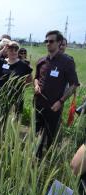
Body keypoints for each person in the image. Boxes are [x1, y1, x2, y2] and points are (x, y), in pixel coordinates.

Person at [34, 30, 80, 158]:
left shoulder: (67, 62)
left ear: (59, 42)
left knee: (49, 136)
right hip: (39, 104)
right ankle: (35, 158)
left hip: (54, 107)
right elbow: (36, 77)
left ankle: (47, 160)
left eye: (51, 41)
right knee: (36, 133)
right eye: (46, 41)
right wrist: (36, 85)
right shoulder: (42, 61)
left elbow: (74, 84)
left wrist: (60, 102)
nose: (48, 44)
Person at [0, 41, 32, 117]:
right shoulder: (1, 62)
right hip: (1, 97)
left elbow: (29, 81)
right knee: (0, 121)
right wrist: (2, 50)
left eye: (16, 50)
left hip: (16, 99)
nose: (13, 52)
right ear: (7, 51)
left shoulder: (24, 65)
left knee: (13, 123)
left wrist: (19, 88)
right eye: (11, 50)